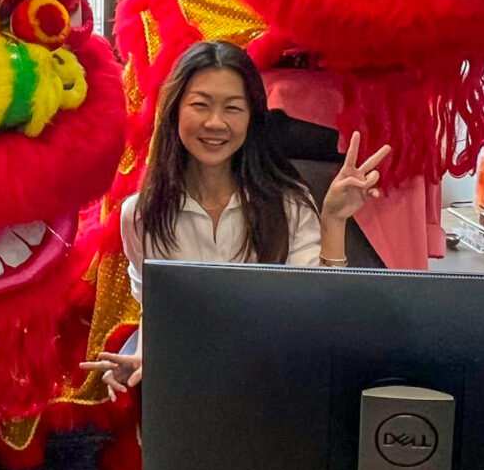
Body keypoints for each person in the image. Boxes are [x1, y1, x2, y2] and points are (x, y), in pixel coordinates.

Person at [81, 40, 390, 400]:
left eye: (233, 108)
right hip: (190, 388)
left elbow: (319, 309)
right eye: (200, 105)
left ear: (251, 119)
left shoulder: (287, 202)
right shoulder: (142, 214)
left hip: (277, 384)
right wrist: (143, 356)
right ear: (175, 111)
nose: (215, 123)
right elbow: (159, 309)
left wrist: (334, 221)